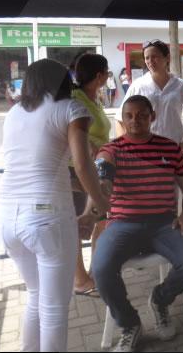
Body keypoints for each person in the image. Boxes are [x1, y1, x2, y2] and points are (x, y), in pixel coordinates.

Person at [0, 59, 109, 352]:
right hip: (47, 221)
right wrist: (102, 204)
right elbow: (84, 168)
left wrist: (90, 198)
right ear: (63, 82)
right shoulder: (71, 109)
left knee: (35, 295)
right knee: (55, 308)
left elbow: (45, 169)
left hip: (8, 220)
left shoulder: (13, 113)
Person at [90, 95, 183, 352]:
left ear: (152, 116)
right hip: (121, 224)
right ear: (123, 118)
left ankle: (160, 300)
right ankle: (129, 323)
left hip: (164, 224)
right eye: (129, 115)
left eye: (141, 115)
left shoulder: (170, 148)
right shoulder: (112, 149)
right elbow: (103, 169)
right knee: (101, 269)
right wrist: (103, 183)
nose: (135, 120)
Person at [69, 53, 112, 296]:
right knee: (77, 223)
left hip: (97, 168)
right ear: (99, 75)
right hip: (77, 169)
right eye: (107, 72)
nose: (108, 76)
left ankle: (97, 271)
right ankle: (80, 280)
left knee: (101, 219)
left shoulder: (93, 98)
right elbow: (75, 134)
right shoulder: (75, 99)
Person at [116, 40, 183, 153]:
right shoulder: (138, 85)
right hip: (146, 150)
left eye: (154, 57)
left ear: (167, 58)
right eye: (147, 58)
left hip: (173, 149)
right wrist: (125, 148)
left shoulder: (179, 85)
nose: (150, 61)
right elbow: (120, 118)